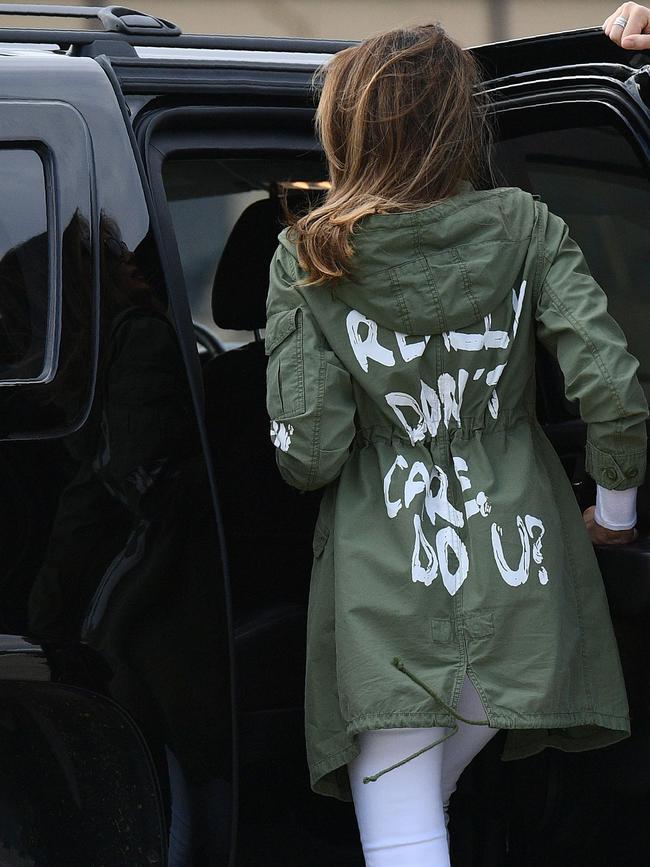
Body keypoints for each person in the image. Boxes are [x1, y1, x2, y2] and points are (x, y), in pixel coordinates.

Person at [264, 24, 648, 867]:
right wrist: (613, 515)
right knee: (417, 812)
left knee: (401, 828)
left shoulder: (310, 254)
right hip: (524, 575)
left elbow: (310, 453)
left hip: (390, 595)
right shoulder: (525, 224)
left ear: (350, 129)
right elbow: (615, 392)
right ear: (458, 124)